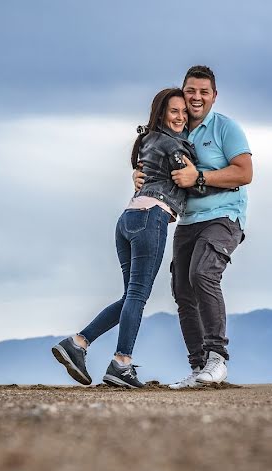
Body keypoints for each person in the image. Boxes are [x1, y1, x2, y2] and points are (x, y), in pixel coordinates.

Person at [52, 88, 199, 389]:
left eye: (184, 112)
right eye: (174, 111)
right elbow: (194, 184)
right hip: (151, 219)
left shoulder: (147, 140)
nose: (181, 117)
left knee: (130, 296)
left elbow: (143, 167)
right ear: (161, 113)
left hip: (127, 220)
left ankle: (78, 343)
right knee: (137, 296)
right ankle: (122, 363)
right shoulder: (175, 146)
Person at [134, 65, 253, 389]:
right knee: (182, 290)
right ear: (183, 93)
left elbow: (244, 172)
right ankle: (199, 368)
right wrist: (139, 176)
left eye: (204, 92)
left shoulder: (226, 128)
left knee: (203, 274)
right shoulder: (178, 130)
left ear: (214, 96)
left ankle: (217, 358)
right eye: (191, 91)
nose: (196, 97)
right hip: (187, 219)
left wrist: (199, 177)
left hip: (224, 216)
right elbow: (154, 161)